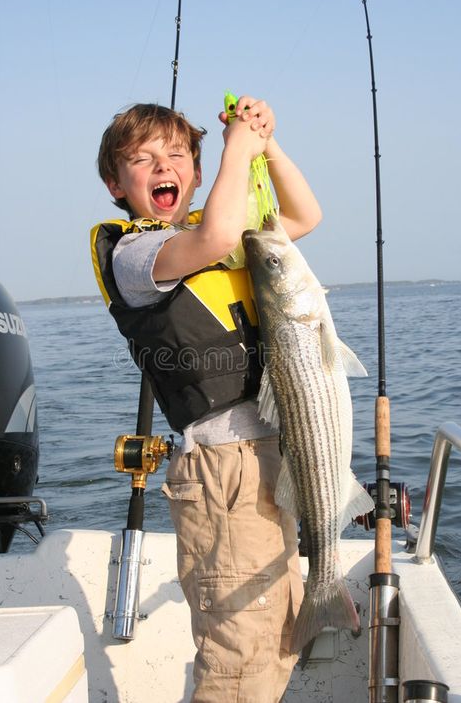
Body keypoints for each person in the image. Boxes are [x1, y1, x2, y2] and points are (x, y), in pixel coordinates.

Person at [93, 96, 322, 702]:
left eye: (176, 154)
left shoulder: (210, 234)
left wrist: (265, 146)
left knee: (274, 637)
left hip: (268, 455)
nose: (162, 165)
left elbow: (304, 215)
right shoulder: (138, 255)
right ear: (116, 184)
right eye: (141, 160)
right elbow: (219, 231)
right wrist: (237, 148)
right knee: (237, 660)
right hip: (223, 472)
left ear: (194, 173)